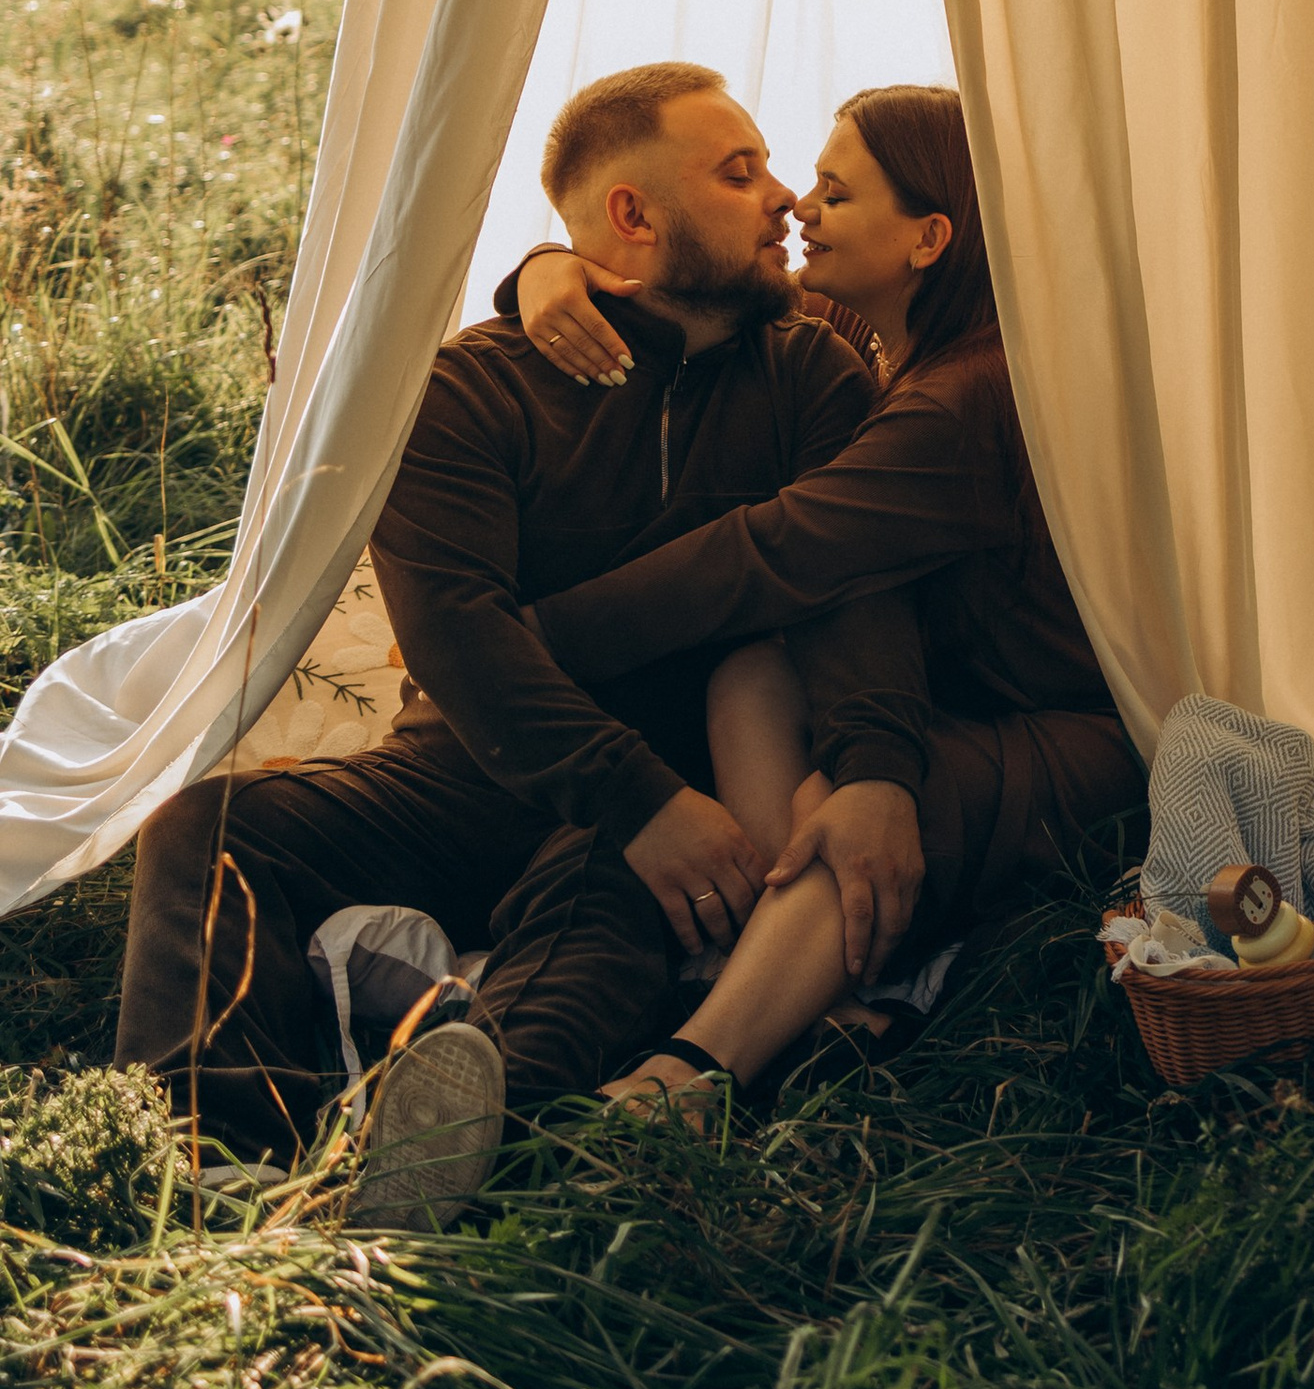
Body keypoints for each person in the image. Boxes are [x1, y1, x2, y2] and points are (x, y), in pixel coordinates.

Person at [113, 63, 873, 1222]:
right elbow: (456, 636)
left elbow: (832, 587)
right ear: (631, 215)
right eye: (740, 171)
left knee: (602, 913)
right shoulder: (472, 390)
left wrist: (654, 806)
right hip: (469, 771)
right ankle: (216, 1160)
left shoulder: (810, 375)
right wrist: (636, 796)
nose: (781, 197)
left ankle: (445, 1159)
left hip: (681, 791)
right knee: (208, 821)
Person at [504, 84, 1140, 1116]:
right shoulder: (872, 323)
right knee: (749, 672)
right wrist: (546, 268)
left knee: (864, 801)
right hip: (952, 697)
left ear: (928, 239)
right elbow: (714, 290)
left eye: (836, 196)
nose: (799, 206)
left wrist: (529, 640)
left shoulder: (966, 397)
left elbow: (770, 550)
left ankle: (692, 1072)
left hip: (1071, 735)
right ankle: (813, 993)